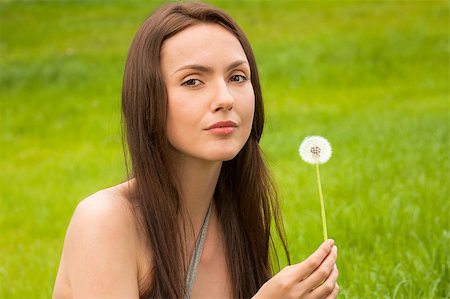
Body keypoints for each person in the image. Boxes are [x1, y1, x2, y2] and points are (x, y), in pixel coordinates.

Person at [53, 2, 339, 298]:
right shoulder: (105, 221)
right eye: (193, 81)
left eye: (237, 77)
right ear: (149, 101)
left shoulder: (235, 214)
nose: (225, 98)